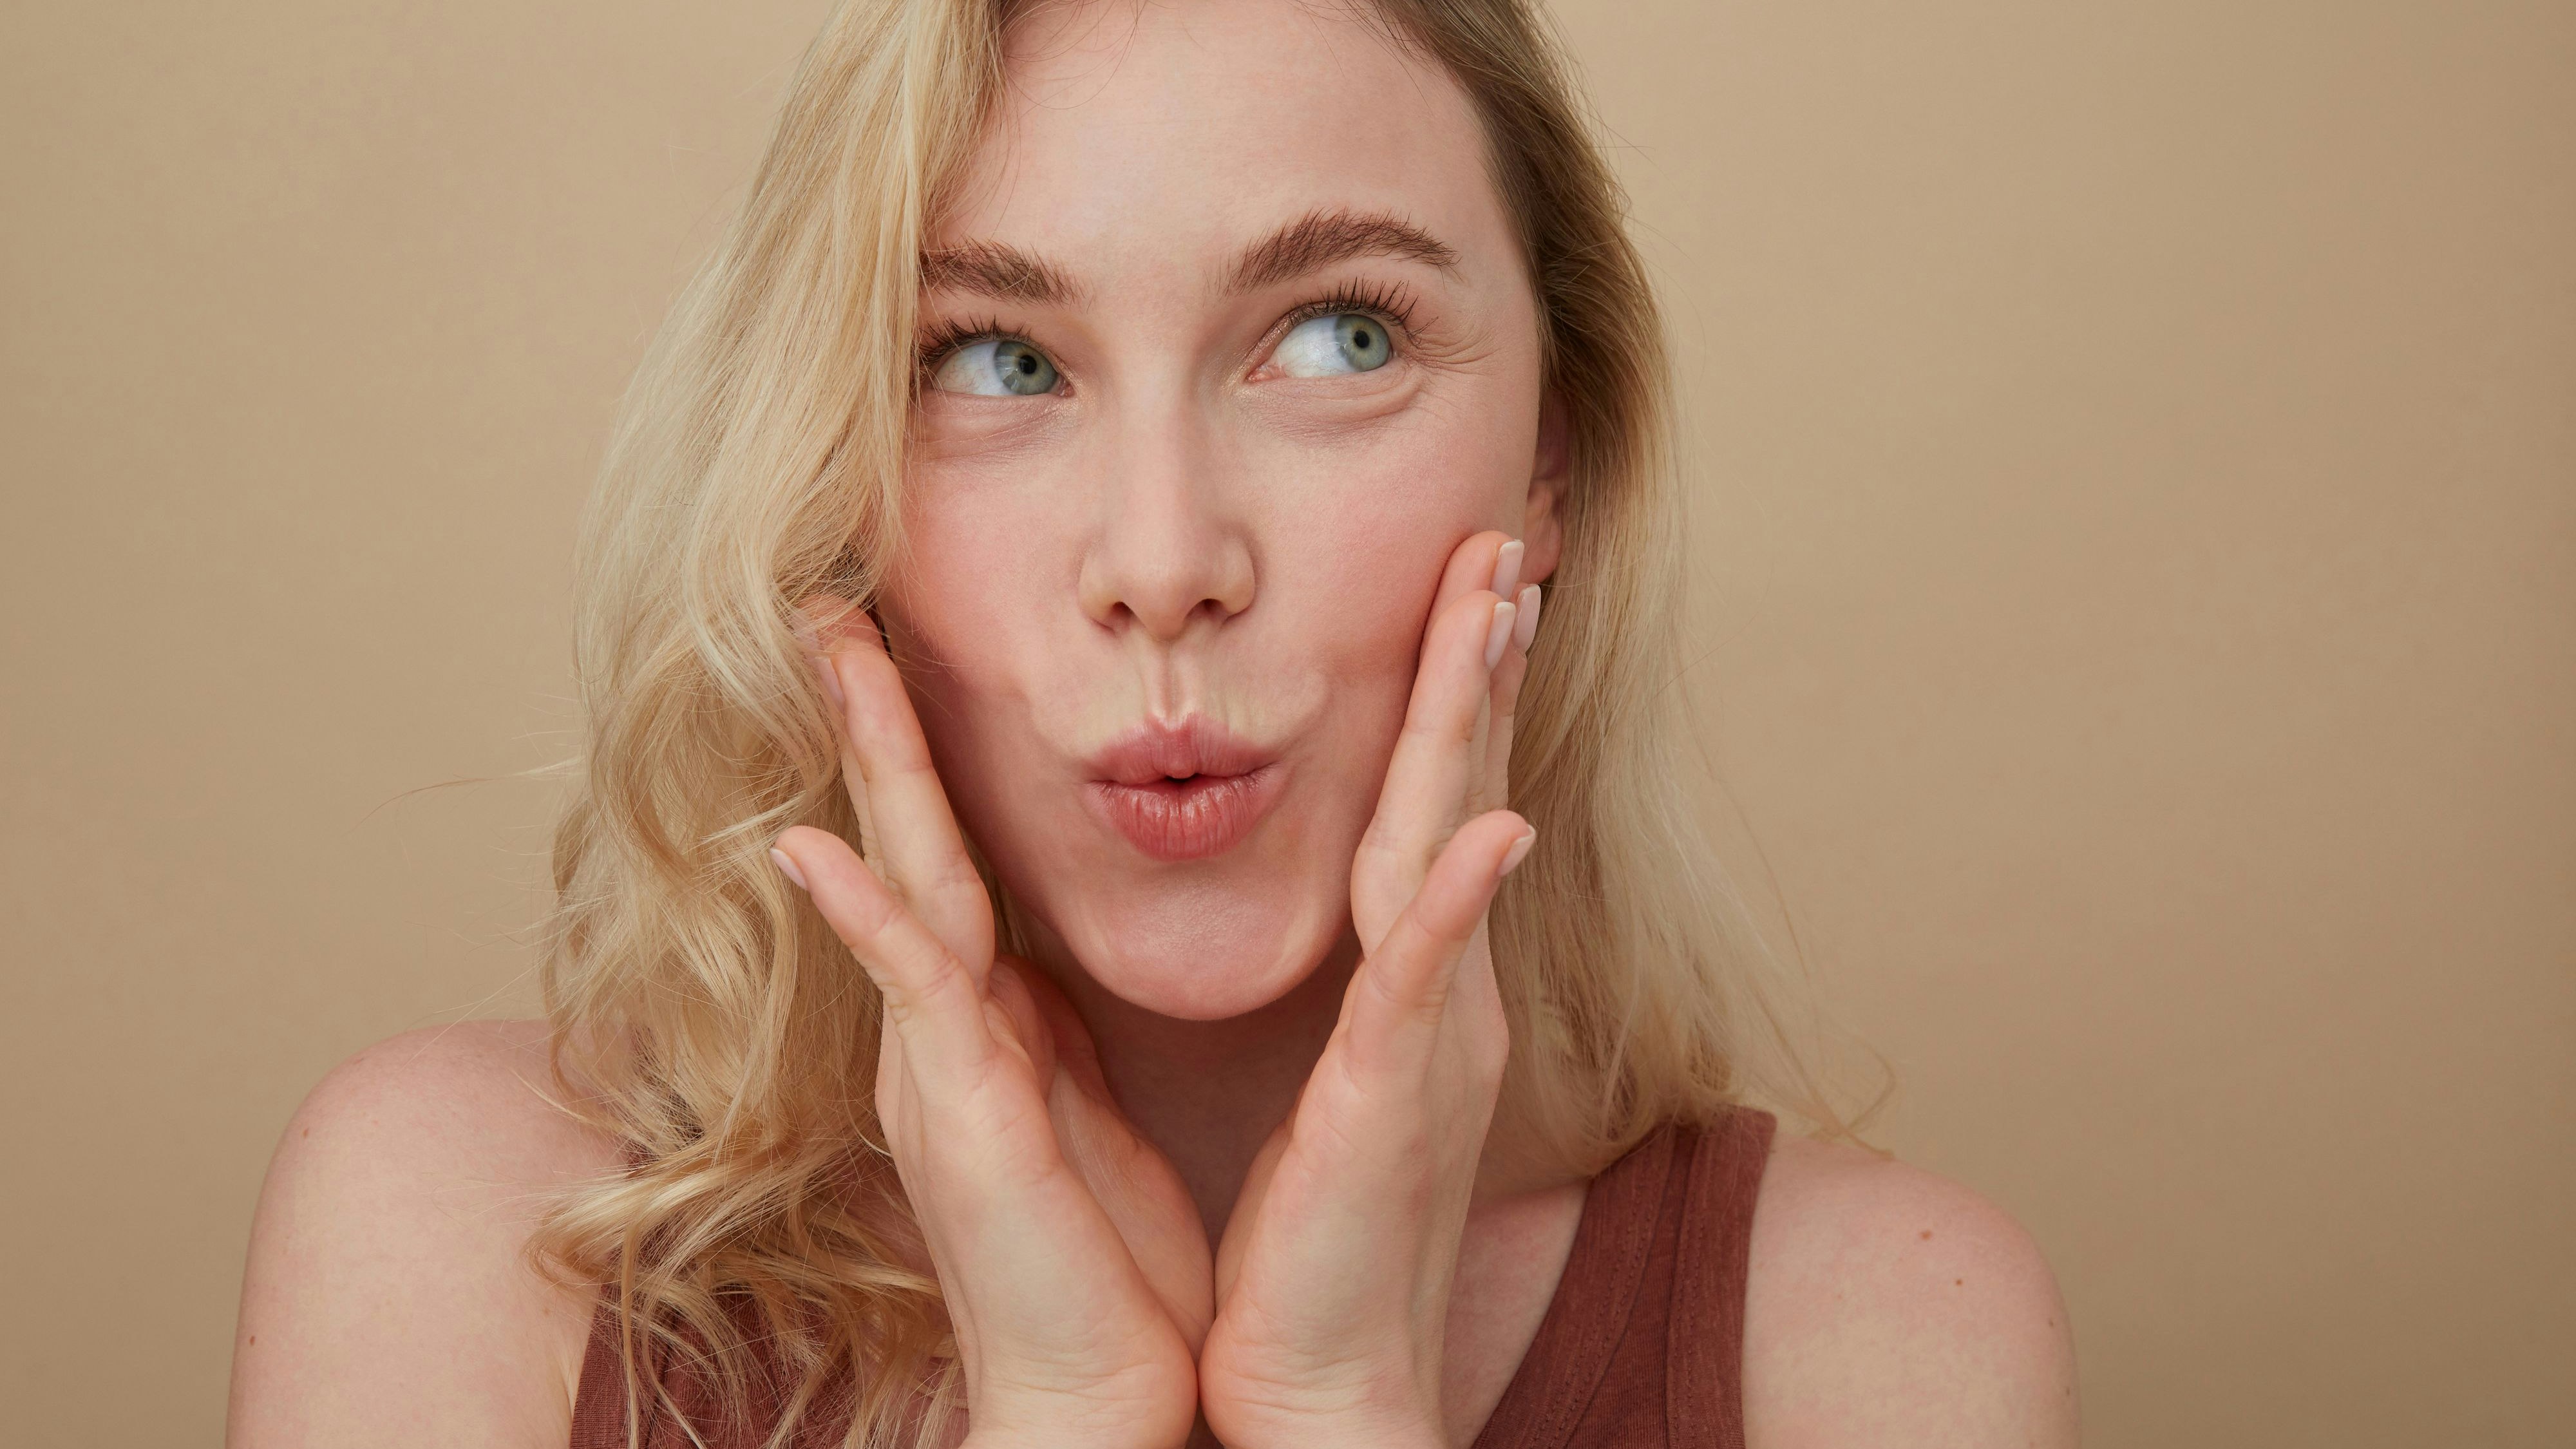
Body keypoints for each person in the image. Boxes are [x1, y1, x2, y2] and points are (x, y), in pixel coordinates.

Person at [226, 1, 2079, 1444]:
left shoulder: (1873, 1340)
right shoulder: (464, 1243)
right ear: (833, 476)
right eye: (995, 359)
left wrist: (1347, 1412)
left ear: (1557, 460)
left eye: (1341, 335)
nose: (1167, 559)